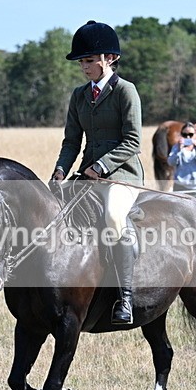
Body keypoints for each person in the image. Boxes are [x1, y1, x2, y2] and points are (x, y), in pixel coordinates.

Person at [50, 20, 144, 325]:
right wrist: (61, 170)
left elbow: (133, 141)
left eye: (89, 60)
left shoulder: (125, 91)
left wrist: (101, 166)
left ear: (109, 59)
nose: (84, 66)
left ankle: (125, 298)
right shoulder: (79, 96)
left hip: (121, 176)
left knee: (114, 217)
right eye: (82, 61)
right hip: (85, 176)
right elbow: (71, 141)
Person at [167, 122, 196, 192]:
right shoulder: (176, 147)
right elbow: (171, 162)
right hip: (180, 187)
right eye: (185, 135)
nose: (188, 137)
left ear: (195, 134)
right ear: (181, 135)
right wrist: (179, 150)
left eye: (191, 135)